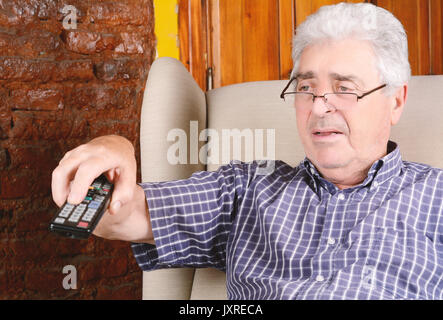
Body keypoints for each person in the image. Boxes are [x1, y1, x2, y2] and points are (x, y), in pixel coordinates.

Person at [51, 2, 442, 299]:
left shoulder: (436, 199)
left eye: (344, 87)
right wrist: (113, 148)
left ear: (395, 100)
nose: (320, 106)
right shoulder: (246, 190)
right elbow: (119, 216)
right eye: (306, 88)